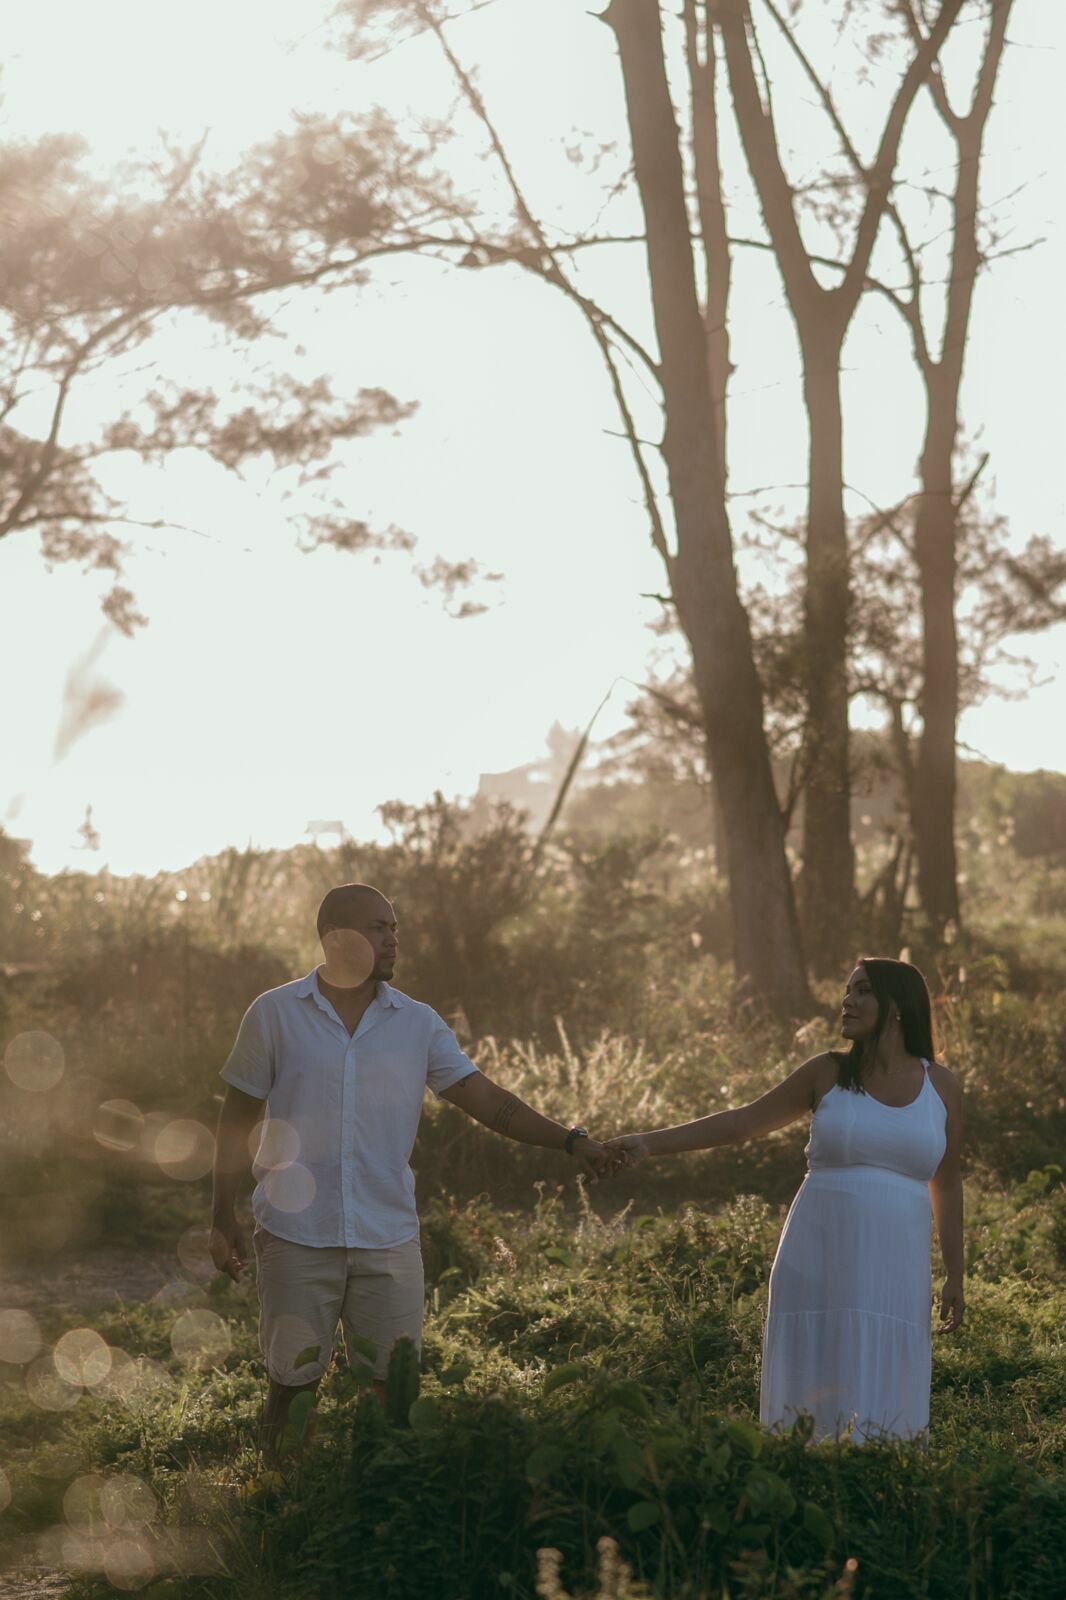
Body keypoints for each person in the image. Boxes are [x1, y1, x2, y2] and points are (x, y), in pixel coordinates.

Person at [209, 882, 615, 1462]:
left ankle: (376, 1501)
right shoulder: (274, 1014)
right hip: (298, 1235)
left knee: (392, 1390)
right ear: (335, 937)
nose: (395, 940)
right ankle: (281, 1502)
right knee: (291, 1387)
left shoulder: (417, 1024)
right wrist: (221, 1217)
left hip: (388, 1238)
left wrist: (571, 1141)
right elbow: (235, 1119)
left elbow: (488, 1102)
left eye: (395, 927)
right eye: (380, 928)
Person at [606, 957, 964, 1444]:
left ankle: (879, 1489)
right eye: (847, 989)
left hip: (895, 1268)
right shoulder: (827, 1073)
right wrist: (649, 1142)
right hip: (820, 1252)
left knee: (886, 1379)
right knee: (816, 1378)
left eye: (862, 990)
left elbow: (946, 1183)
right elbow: (743, 1123)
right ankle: (799, 1474)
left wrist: (955, 1275)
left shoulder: (941, 1087)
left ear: (897, 1006)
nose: (847, 1000)